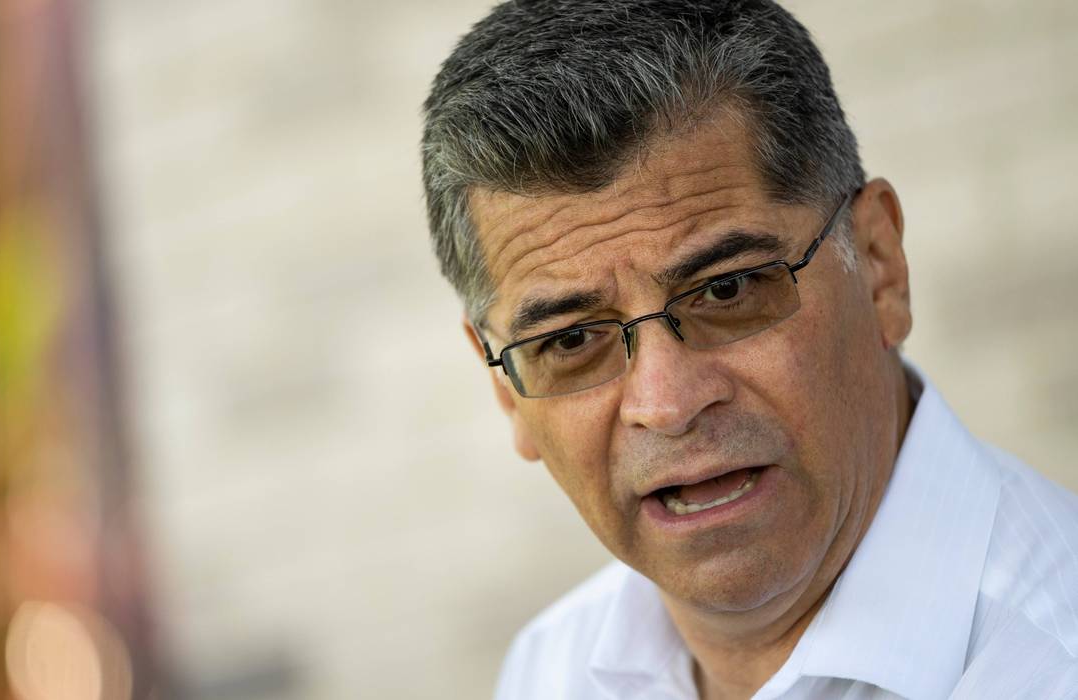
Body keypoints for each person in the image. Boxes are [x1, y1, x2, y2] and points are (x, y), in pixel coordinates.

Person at [419, 1, 1078, 698]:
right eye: (571, 339)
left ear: (879, 265)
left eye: (726, 290)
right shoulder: (548, 671)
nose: (665, 404)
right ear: (504, 390)